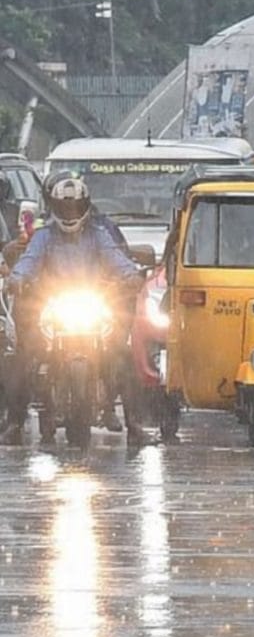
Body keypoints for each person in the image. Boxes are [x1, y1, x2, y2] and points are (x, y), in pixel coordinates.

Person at [0, 175, 153, 446]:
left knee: (124, 359)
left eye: (74, 207)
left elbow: (118, 260)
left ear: (86, 206)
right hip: (54, 309)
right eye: (63, 207)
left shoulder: (99, 234)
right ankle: (14, 422)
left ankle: (136, 425)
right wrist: (17, 279)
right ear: (54, 207)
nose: (69, 214)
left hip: (94, 306)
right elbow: (28, 261)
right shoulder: (44, 236)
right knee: (23, 358)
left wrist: (131, 276)